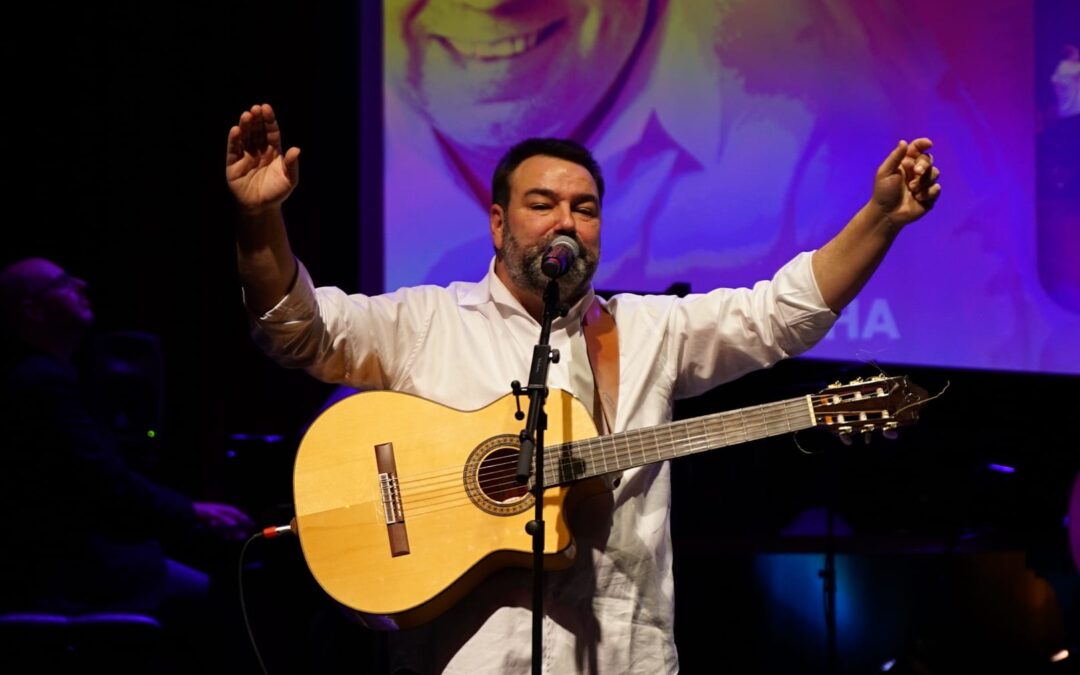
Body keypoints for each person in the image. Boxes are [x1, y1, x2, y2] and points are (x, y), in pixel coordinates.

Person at [226, 102, 940, 673]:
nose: (567, 220)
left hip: (628, 653)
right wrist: (261, 219)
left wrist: (880, 219)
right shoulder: (428, 321)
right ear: (500, 223)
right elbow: (299, 330)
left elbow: (779, 315)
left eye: (586, 207)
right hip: (466, 658)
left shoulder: (650, 329)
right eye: (543, 203)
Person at [0, 257, 254, 664]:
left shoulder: (49, 377)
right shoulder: (41, 383)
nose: (82, 283)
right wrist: (191, 512)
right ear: (32, 309)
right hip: (68, 570)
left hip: (73, 556)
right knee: (222, 603)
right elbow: (106, 484)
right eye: (64, 283)